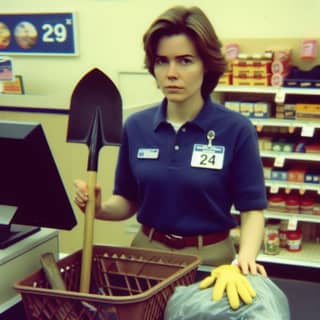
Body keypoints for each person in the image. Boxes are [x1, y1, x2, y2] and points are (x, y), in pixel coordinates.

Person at [74, 6, 267, 277]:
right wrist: (100, 208)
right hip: (146, 255)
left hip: (210, 261)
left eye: (185, 60)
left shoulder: (236, 129)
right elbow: (128, 200)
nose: (171, 72)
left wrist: (246, 258)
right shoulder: (136, 126)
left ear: (207, 65)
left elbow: (252, 209)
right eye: (162, 61)